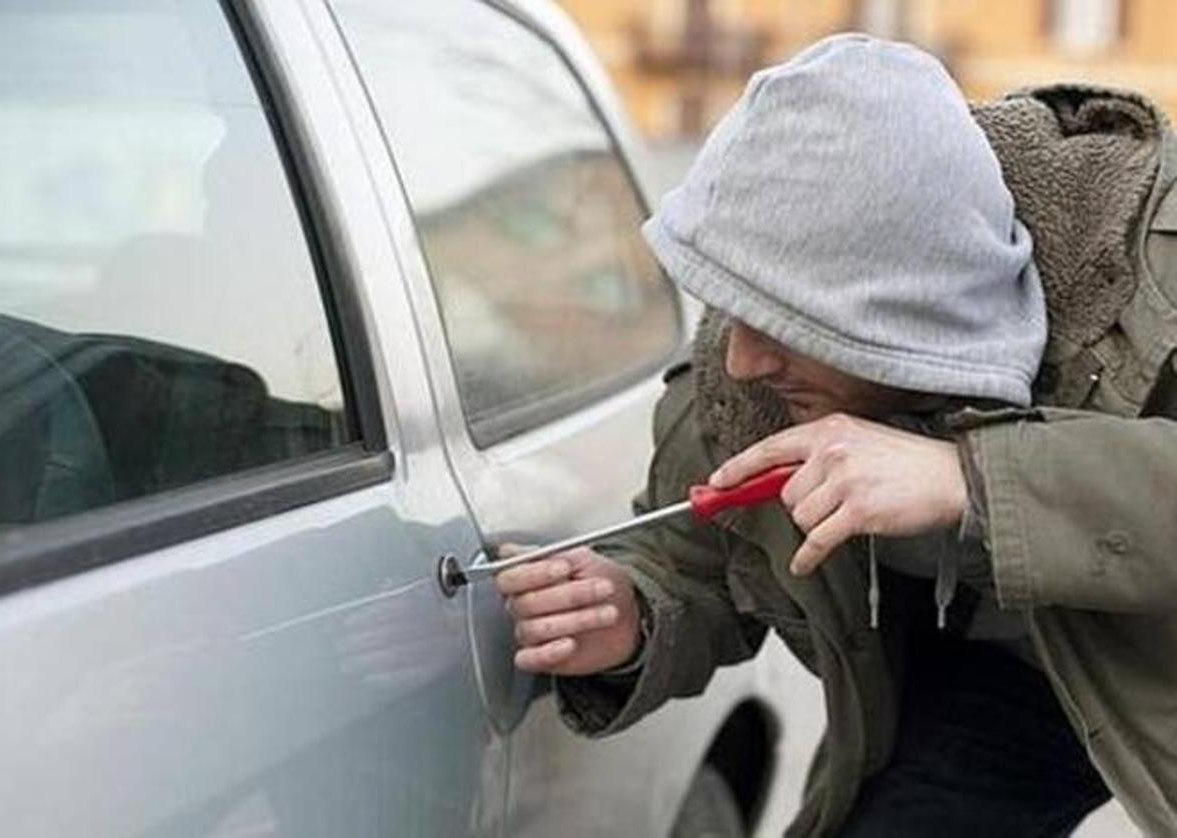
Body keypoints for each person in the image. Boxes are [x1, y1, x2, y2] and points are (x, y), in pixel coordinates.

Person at [496, 35, 1177, 837]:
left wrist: (972, 479)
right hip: (1006, 684)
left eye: (788, 323)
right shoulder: (738, 386)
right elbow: (694, 561)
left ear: (904, 306)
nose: (744, 360)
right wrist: (631, 617)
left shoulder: (1147, 277)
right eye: (735, 312)